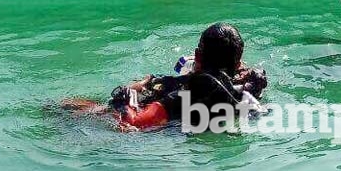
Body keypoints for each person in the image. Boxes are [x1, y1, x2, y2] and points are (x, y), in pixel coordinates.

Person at [62, 23, 267, 132]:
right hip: (193, 130)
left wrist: (126, 96)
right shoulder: (246, 90)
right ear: (238, 64)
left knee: (68, 106)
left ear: (197, 56)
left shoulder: (179, 96)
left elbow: (133, 123)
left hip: (144, 130)